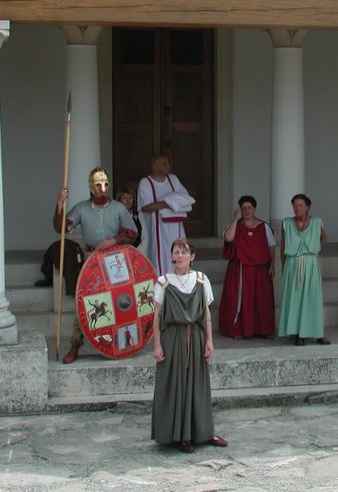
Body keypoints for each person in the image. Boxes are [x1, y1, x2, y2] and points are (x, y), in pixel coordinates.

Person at [151, 238, 228, 453]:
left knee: (198, 384)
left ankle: (204, 432)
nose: (180, 255)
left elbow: (206, 313)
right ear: (171, 256)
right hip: (172, 338)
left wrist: (210, 341)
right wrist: (156, 345)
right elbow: (156, 316)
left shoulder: (201, 280)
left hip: (195, 336)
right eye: (176, 252)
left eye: (184, 252)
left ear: (192, 256)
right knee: (174, 383)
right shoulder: (163, 281)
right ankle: (179, 435)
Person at [55, 166, 138, 364]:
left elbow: (133, 235)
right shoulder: (82, 208)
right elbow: (61, 228)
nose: (102, 188)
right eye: (98, 184)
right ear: (91, 186)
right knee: (85, 303)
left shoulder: (118, 208)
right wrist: (59, 204)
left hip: (115, 261)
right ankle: (75, 345)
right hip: (91, 261)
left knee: (120, 301)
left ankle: (121, 344)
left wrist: (114, 240)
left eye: (105, 184)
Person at [218, 195, 276, 338]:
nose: (247, 211)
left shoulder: (264, 227)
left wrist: (272, 265)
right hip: (239, 269)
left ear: (254, 209)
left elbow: (271, 246)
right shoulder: (235, 226)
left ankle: (262, 330)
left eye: (249, 208)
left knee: (260, 301)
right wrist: (236, 219)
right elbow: (229, 238)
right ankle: (238, 330)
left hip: (259, 271)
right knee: (238, 300)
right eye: (243, 208)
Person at [278, 194, 329, 346]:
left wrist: (314, 247)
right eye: (295, 205)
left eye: (300, 205)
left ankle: (317, 333)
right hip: (292, 265)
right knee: (295, 300)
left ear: (307, 207)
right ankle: (298, 333)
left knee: (312, 298)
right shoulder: (286, 223)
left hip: (310, 263)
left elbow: (324, 237)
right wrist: (283, 266)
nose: (297, 208)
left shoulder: (317, 222)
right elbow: (282, 246)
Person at [138, 155, 194, 276]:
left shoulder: (173, 179)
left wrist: (167, 203)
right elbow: (145, 206)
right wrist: (169, 203)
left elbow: (185, 198)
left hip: (176, 228)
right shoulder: (146, 183)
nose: (168, 166)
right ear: (154, 166)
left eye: (168, 163)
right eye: (164, 164)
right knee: (159, 259)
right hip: (157, 230)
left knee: (179, 256)